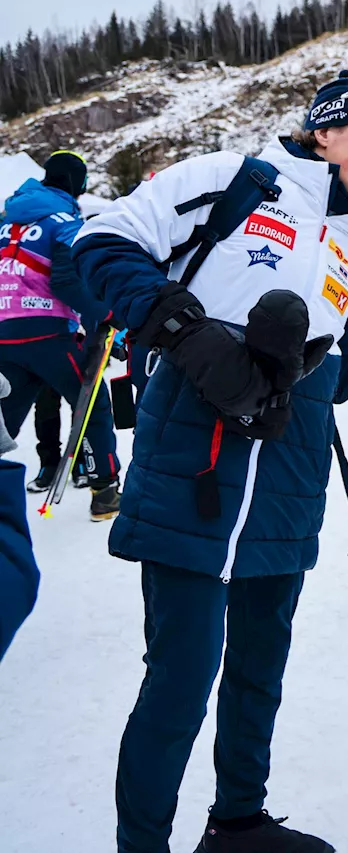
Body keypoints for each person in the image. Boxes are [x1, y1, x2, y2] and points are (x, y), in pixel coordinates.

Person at [72, 70, 348, 853]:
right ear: (325, 130)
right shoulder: (233, 181)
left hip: (287, 485)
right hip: (198, 472)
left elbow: (339, 378)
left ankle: (238, 821)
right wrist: (184, 329)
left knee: (257, 671)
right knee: (179, 683)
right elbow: (102, 243)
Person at [0, 150, 122, 520]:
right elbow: (70, 279)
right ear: (76, 183)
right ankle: (105, 493)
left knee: (4, 419)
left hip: (5, 333)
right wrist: (107, 320)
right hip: (47, 332)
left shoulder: (6, 221)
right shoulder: (64, 220)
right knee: (92, 403)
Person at [0, 374, 39, 663]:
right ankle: (103, 482)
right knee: (93, 401)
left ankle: (52, 465)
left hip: (15, 343)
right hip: (55, 334)